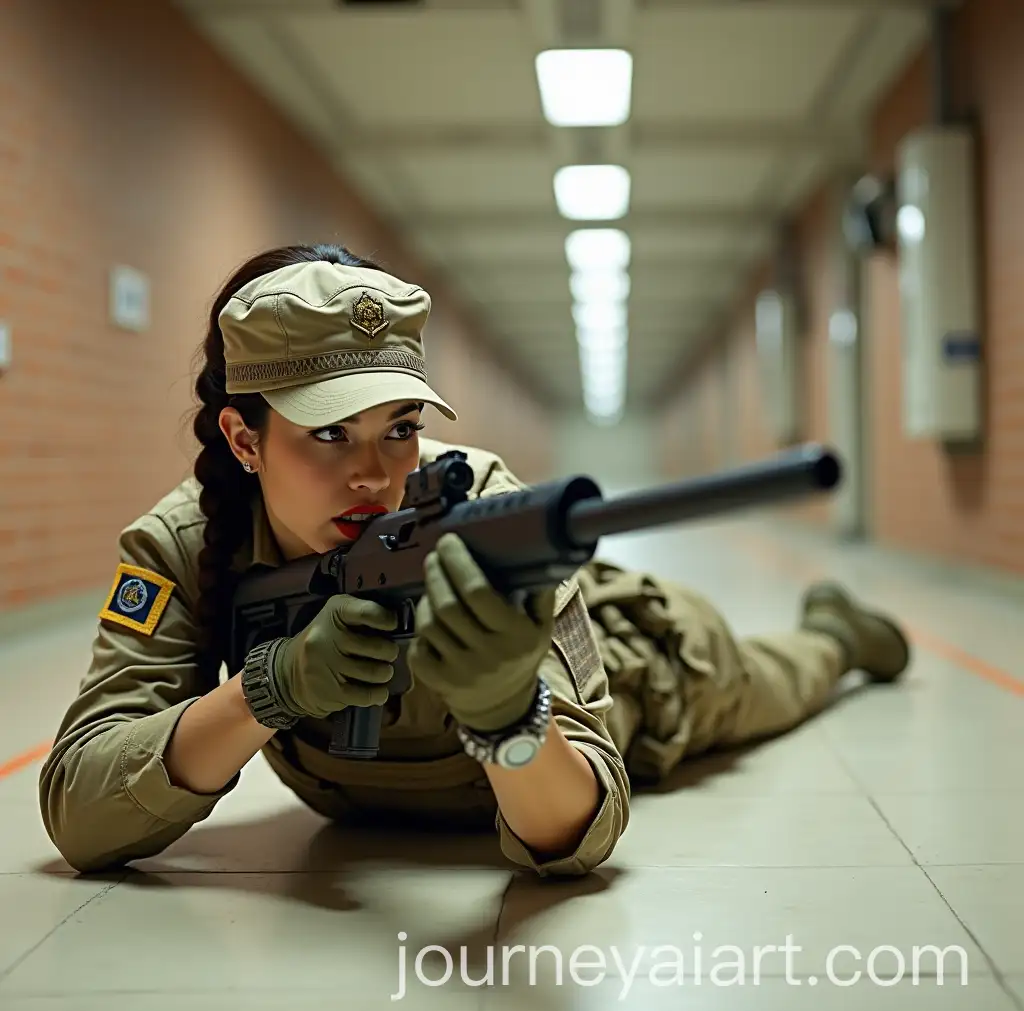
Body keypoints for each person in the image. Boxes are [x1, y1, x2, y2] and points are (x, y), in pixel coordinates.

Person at [37, 243, 911, 880]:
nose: (374, 474)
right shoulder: (184, 544)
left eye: (401, 430)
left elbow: (585, 830)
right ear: (243, 439)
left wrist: (506, 714)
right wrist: (270, 687)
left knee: (768, 680)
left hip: (644, 675)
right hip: (371, 799)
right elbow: (79, 806)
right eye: (330, 435)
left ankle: (835, 636)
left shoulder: (487, 510)